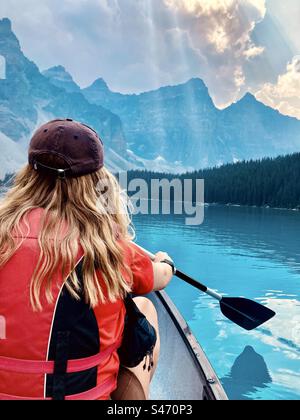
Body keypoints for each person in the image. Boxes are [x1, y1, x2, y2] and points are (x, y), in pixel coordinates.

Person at [0, 119, 174, 401]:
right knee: (143, 306)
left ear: (28, 175)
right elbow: (160, 278)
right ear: (95, 182)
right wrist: (166, 263)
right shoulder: (110, 249)